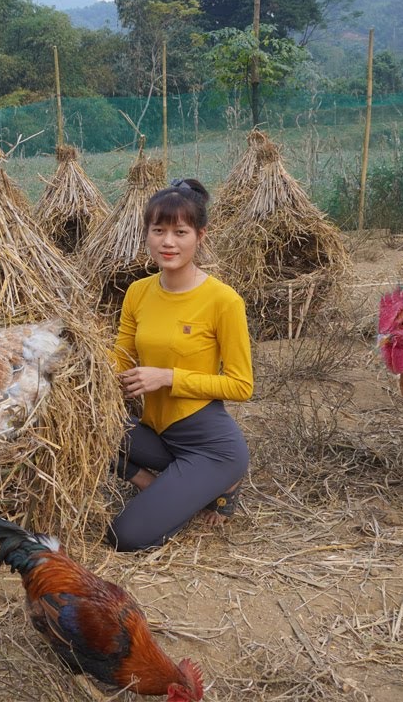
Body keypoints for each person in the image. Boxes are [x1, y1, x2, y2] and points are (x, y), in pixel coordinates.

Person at [107, 178, 253, 552]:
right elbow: (120, 357)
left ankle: (222, 481)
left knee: (125, 537)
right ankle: (153, 484)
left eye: (180, 232)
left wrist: (168, 377)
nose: (167, 242)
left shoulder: (223, 301)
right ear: (147, 234)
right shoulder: (138, 292)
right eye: (158, 231)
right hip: (155, 433)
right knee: (84, 427)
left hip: (208, 444)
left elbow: (241, 385)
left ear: (200, 236)